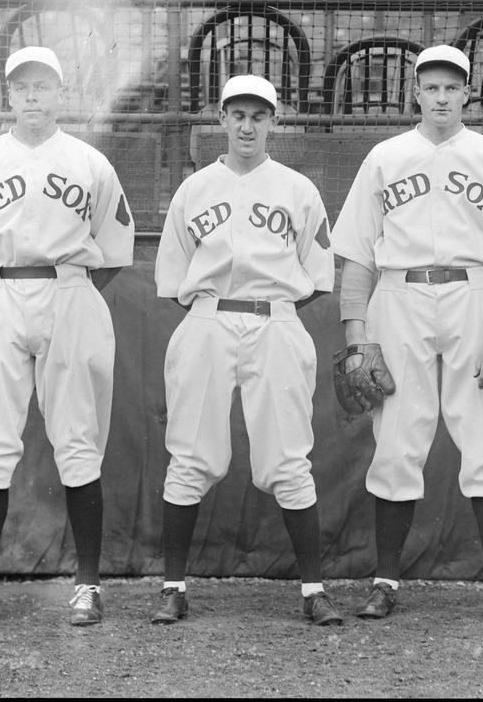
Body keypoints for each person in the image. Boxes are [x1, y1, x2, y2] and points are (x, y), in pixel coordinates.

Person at [330, 45, 483, 622]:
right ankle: (386, 581)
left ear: (468, 93)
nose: (442, 96)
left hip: (472, 292)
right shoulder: (385, 156)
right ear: (415, 92)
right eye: (431, 87)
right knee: (396, 436)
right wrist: (355, 335)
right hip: (399, 295)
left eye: (452, 87)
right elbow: (357, 256)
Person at [0, 46, 135, 626]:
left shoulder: (90, 163)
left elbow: (114, 250)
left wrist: (69, 291)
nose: (31, 96)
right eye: (21, 86)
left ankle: (89, 586)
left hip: (69, 291)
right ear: (7, 94)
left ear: (61, 94)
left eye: (42, 85)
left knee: (78, 440)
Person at [151, 75, 342, 626]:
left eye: (259, 115)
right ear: (222, 119)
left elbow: (318, 275)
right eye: (237, 114)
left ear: (274, 123)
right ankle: (173, 588)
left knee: (288, 459)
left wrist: (271, 315)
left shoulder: (297, 189)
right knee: (189, 454)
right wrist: (219, 316)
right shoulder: (193, 190)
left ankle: (313, 591)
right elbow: (173, 278)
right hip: (208, 318)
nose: (247, 125)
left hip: (276, 319)